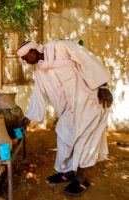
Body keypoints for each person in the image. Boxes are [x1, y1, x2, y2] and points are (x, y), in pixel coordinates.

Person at [17, 39, 113, 196]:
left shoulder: (60, 47)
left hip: (89, 103)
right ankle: (68, 173)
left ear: (33, 50)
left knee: (84, 140)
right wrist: (29, 117)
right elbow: (38, 95)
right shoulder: (41, 72)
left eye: (26, 57)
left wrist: (103, 86)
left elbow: (86, 58)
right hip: (69, 111)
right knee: (63, 136)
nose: (25, 61)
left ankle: (81, 179)